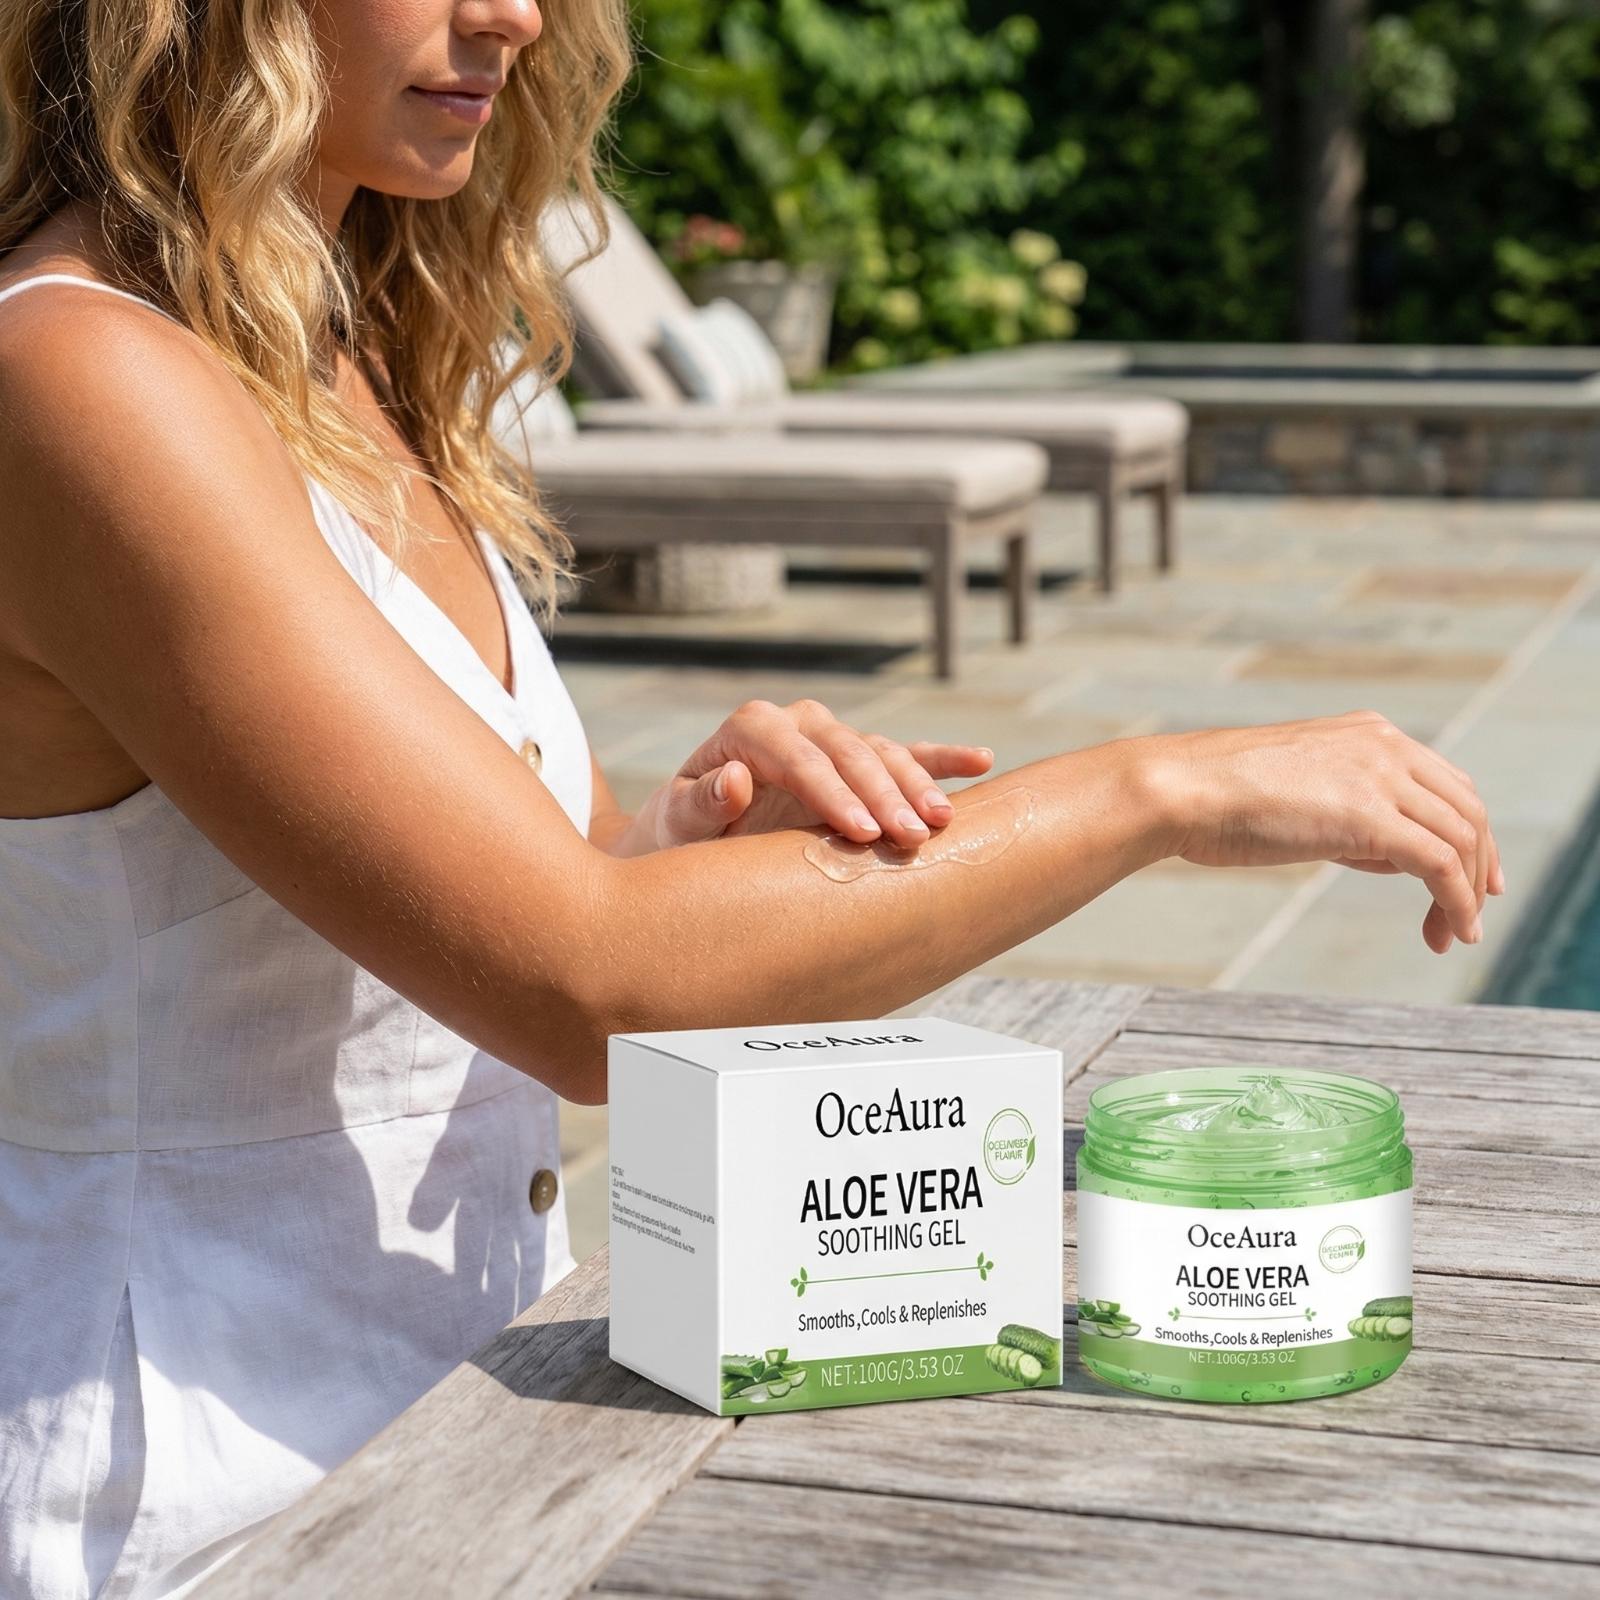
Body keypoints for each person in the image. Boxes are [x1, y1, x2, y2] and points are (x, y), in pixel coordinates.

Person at [0, 2, 1504, 1597]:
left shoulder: (336, 341)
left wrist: (677, 844)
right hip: (193, 1501)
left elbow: (526, 882)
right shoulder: (84, 380)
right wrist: (1160, 789)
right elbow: (589, 987)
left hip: (443, 1437)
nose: (515, 16)